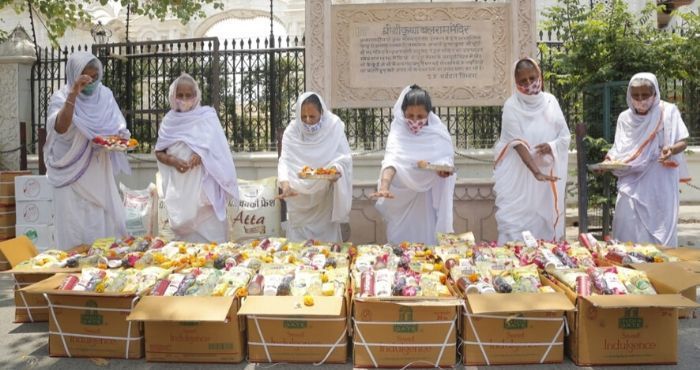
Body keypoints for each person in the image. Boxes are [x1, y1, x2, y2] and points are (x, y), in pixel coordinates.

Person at [44, 51, 131, 250]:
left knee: (100, 224)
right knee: (73, 227)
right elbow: (60, 127)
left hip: (97, 170)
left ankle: (101, 272)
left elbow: (118, 127)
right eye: (85, 76)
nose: (90, 81)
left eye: (94, 76)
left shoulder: (105, 95)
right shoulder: (60, 97)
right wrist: (74, 93)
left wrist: (119, 139)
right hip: (69, 176)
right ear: (74, 74)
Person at [493, 58, 570, 244]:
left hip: (545, 178)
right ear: (516, 82)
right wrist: (535, 172)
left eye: (532, 78)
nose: (529, 84)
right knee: (513, 229)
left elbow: (564, 136)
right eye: (523, 81)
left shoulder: (551, 101)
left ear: (539, 76)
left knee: (543, 230)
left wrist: (551, 146)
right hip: (518, 179)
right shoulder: (512, 106)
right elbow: (517, 143)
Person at [608, 73, 690, 247]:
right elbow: (619, 147)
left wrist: (671, 149)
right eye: (635, 95)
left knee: (659, 225)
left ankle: (660, 267)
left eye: (645, 95)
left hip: (660, 179)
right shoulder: (625, 117)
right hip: (630, 179)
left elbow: (683, 141)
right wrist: (609, 161)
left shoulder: (668, 112)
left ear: (655, 94)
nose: (640, 99)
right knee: (626, 220)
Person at [155, 73, 239, 243]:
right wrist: (173, 161)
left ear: (196, 96)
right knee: (185, 246)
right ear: (173, 96)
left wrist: (201, 156)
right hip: (180, 188)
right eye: (180, 95)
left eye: (188, 95)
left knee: (212, 242)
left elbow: (217, 149)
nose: (184, 99)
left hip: (204, 188)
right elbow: (159, 151)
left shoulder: (207, 117)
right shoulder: (168, 121)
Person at [372, 85, 455, 245]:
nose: (415, 121)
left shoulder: (438, 133)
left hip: (426, 202)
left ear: (429, 114)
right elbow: (391, 161)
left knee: (426, 246)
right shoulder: (398, 132)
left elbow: (446, 161)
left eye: (420, 116)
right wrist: (384, 187)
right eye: (410, 115)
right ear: (403, 113)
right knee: (399, 246)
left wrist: (443, 171)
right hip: (401, 202)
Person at [277, 92, 352, 242]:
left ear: (321, 113)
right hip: (299, 200)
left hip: (325, 200)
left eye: (312, 117)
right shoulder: (292, 132)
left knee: (327, 250)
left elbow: (343, 158)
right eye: (303, 117)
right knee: (298, 251)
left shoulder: (333, 127)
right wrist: (285, 185)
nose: (308, 121)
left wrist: (335, 171)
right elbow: (284, 161)